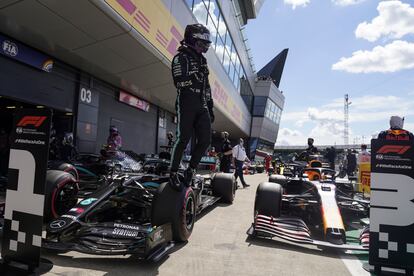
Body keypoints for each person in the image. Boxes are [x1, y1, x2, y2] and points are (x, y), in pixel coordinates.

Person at [169, 23, 215, 191]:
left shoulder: (203, 62)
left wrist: (210, 107)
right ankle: (173, 172)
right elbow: (178, 82)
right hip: (186, 101)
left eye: (206, 42)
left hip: (201, 103)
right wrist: (192, 77)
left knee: (205, 140)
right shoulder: (180, 57)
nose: (205, 45)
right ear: (192, 40)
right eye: (202, 42)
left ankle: (191, 169)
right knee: (183, 138)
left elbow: (207, 87)